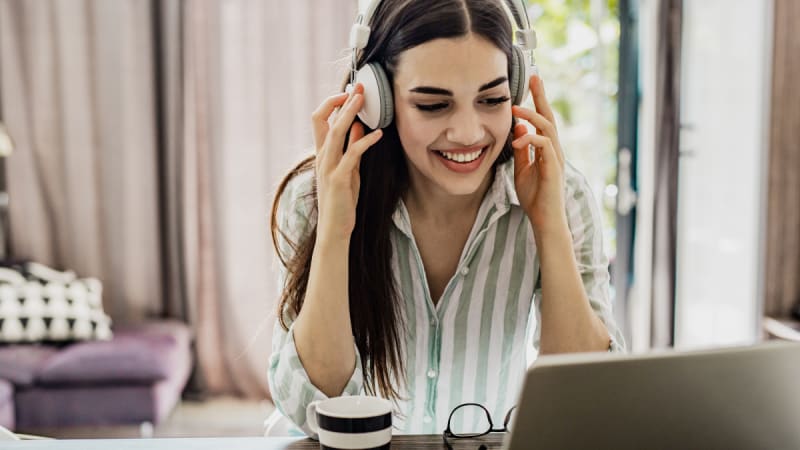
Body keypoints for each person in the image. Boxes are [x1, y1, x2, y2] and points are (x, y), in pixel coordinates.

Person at [267, 0, 626, 437]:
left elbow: (585, 399)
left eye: (492, 99)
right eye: (434, 105)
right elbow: (310, 408)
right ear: (376, 100)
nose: (468, 133)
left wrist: (550, 223)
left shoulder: (560, 195)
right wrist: (335, 231)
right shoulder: (315, 198)